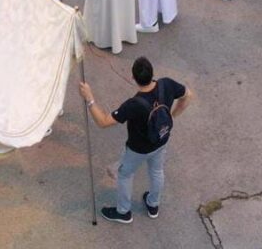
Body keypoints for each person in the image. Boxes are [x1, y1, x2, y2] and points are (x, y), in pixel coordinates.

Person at [79, 57, 191, 224]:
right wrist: (172, 117)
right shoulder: (166, 84)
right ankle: (153, 205)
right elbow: (188, 96)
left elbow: (102, 122)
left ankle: (123, 212)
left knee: (124, 174)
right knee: (156, 171)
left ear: (133, 78)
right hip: (161, 139)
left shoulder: (133, 105)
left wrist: (90, 99)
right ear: (152, 73)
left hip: (138, 149)